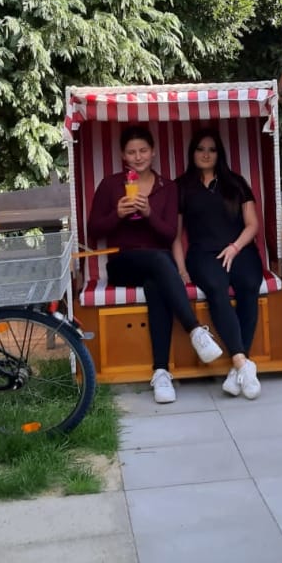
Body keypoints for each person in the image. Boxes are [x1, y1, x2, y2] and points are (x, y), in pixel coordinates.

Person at [87, 125, 222, 404]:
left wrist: (148, 213)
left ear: (153, 152)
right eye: (131, 152)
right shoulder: (111, 185)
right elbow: (93, 230)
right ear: (123, 155)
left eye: (143, 151)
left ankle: (161, 373)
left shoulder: (167, 187)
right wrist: (117, 214)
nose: (138, 157)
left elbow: (169, 234)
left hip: (159, 269)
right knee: (161, 260)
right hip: (123, 263)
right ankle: (195, 330)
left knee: (156, 284)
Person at [174, 128, 264, 400]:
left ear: (219, 154)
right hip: (203, 254)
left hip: (239, 248)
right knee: (216, 288)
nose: (206, 154)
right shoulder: (182, 186)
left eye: (211, 149)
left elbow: (253, 225)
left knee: (248, 285)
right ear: (192, 153)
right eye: (200, 149)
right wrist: (182, 269)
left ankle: (239, 368)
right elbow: (176, 236)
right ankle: (241, 362)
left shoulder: (235, 182)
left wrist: (235, 247)